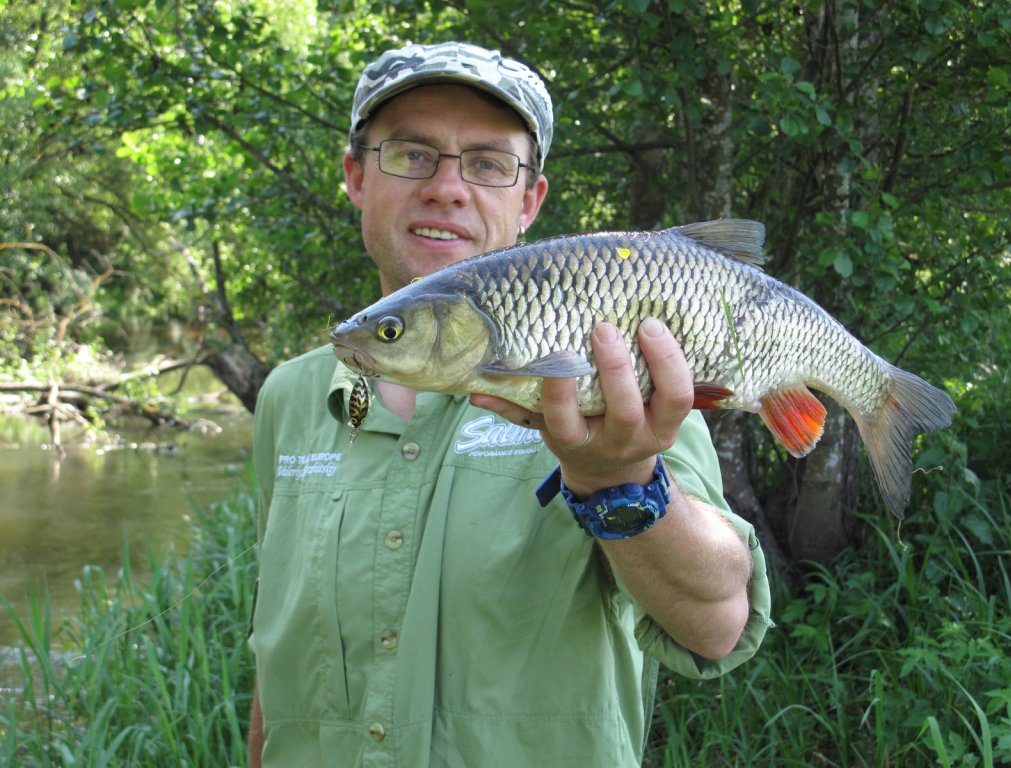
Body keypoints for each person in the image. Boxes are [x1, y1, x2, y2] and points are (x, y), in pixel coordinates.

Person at [248, 41, 771, 768]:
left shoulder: (612, 376)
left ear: (529, 201)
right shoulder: (289, 398)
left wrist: (618, 482)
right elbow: (276, 657)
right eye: (412, 154)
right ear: (356, 176)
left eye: (490, 164)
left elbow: (718, 625)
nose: (448, 188)